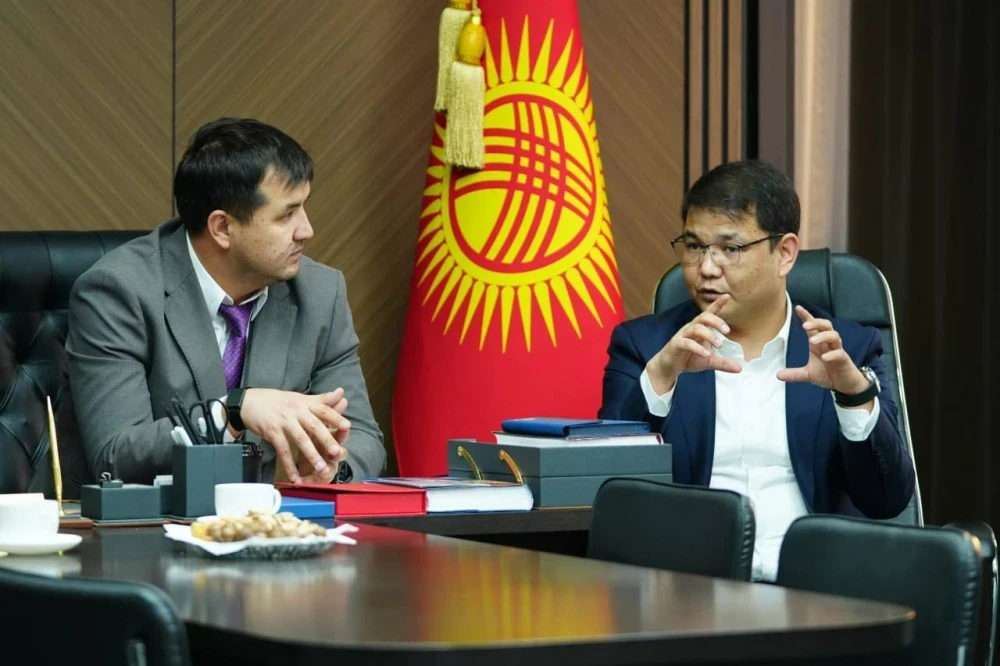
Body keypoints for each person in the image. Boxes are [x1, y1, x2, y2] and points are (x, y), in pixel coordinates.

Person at [599, 159, 914, 581]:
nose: (706, 268)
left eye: (730, 249)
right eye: (694, 246)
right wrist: (661, 379)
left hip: (816, 591)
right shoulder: (646, 347)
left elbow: (887, 500)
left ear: (784, 254)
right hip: (689, 590)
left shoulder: (847, 349)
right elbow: (610, 496)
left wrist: (852, 395)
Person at [61, 117, 385, 490]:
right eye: (286, 215)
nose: (306, 230)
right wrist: (232, 412)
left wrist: (333, 468)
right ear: (223, 228)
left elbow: (362, 434)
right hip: (133, 521)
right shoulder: (119, 291)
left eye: (303, 208)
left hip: (262, 519)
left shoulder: (319, 292)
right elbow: (115, 455)